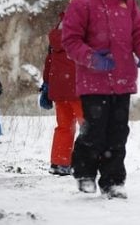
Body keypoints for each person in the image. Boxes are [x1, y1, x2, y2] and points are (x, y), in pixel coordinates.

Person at [62, 0, 140, 199]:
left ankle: (113, 181)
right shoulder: (82, 4)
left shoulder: (128, 3)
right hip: (94, 82)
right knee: (94, 132)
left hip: (123, 80)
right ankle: (84, 173)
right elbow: (70, 41)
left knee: (118, 134)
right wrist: (92, 58)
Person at [40, 12, 84, 176]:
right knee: (89, 127)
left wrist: (46, 84)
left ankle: (59, 163)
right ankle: (87, 163)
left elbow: (48, 62)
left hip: (59, 89)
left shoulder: (57, 32)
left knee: (64, 126)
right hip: (79, 88)